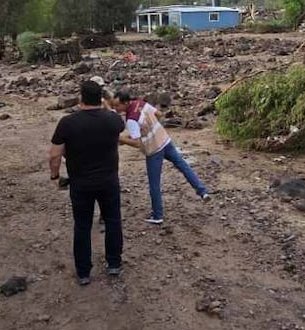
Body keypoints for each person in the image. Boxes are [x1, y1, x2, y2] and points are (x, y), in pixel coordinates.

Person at [48, 80, 126, 285]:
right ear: (100, 98)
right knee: (113, 221)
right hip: (109, 181)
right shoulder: (113, 120)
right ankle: (114, 264)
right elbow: (118, 121)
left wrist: (55, 177)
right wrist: (105, 106)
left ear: (81, 98)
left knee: (82, 226)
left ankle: (83, 272)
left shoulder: (67, 123)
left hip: (80, 183)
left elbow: (55, 155)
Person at [110, 91, 209, 225]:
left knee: (154, 183)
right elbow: (159, 114)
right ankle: (202, 191)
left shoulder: (131, 120)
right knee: (183, 165)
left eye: (117, 106)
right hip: (164, 139)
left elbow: (137, 143)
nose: (116, 109)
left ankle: (157, 215)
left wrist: (121, 139)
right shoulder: (141, 103)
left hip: (153, 149)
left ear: (125, 103)